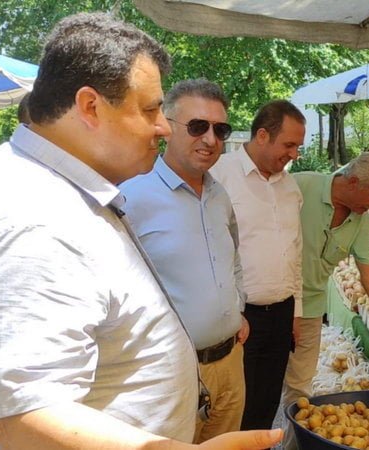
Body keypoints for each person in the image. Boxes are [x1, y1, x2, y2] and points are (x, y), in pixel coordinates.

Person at [0, 12, 282, 450]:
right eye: (150, 110)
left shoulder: (69, 192)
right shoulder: (38, 217)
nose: (163, 127)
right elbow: (23, 415)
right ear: (90, 106)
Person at [120, 79, 248, 443]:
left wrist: (236, 308)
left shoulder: (219, 194)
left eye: (220, 129)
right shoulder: (131, 196)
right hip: (171, 373)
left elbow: (234, 258)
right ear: (167, 127)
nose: (210, 139)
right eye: (197, 127)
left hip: (230, 364)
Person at [282, 152, 369, 449]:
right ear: (354, 181)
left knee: (298, 391)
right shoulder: (299, 187)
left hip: (310, 309)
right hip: (271, 304)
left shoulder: (360, 222)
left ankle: (293, 446)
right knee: (258, 388)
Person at [209, 100, 304, 431]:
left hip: (281, 315)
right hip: (239, 319)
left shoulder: (290, 187)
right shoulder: (218, 176)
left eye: (297, 147)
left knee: (267, 403)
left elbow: (296, 250)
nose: (294, 154)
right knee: (233, 407)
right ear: (262, 135)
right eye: (289, 144)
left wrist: (296, 311)